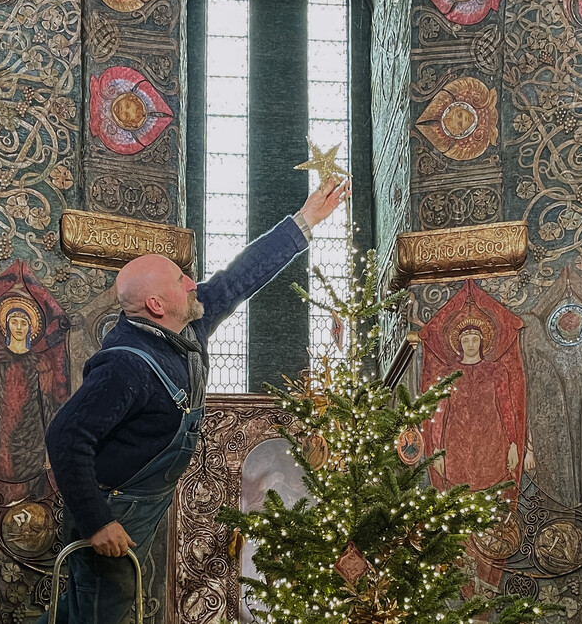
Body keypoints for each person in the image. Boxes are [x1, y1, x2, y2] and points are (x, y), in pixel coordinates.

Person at [42, 175, 351, 624]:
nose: (192, 283)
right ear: (154, 303)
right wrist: (97, 522)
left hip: (144, 506)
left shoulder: (186, 325)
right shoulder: (124, 365)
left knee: (86, 610)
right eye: (180, 279)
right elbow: (66, 437)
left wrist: (303, 221)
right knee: (96, 613)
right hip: (114, 510)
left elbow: (238, 278)